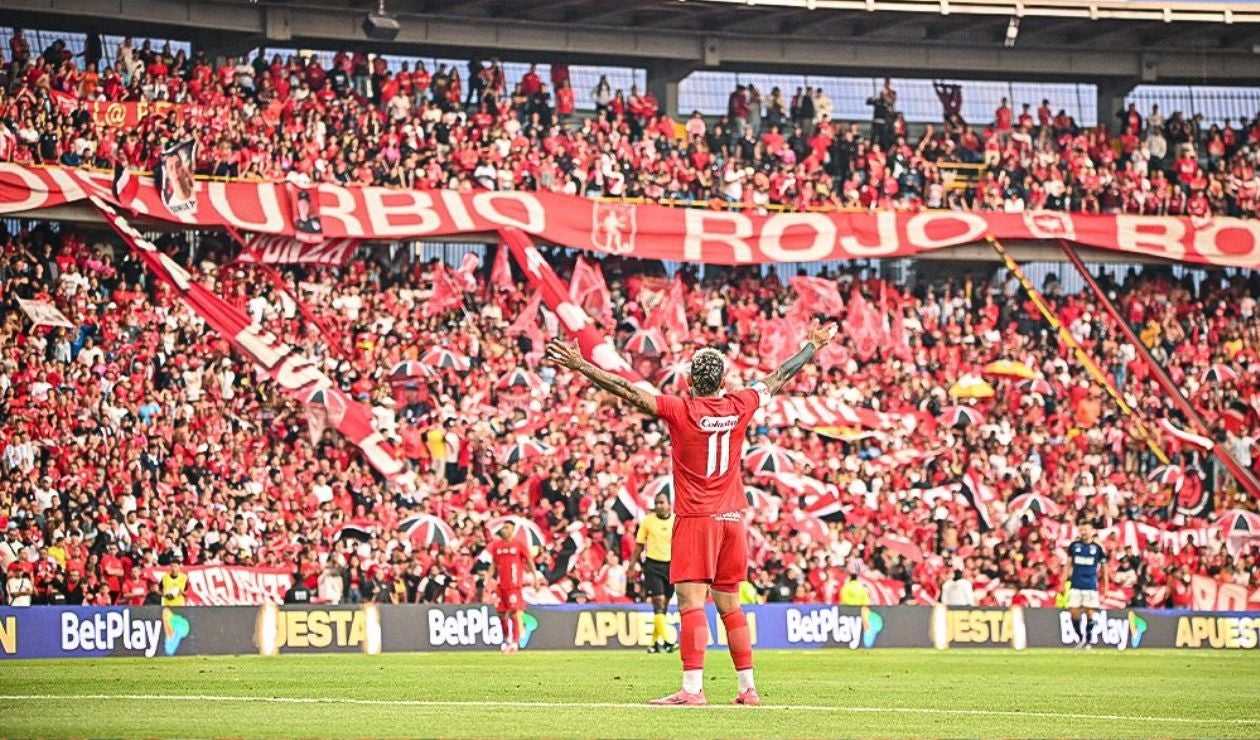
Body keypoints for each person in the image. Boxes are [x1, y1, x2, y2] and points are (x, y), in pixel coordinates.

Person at [545, 318, 837, 707]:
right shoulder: (741, 403)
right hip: (734, 519)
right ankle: (747, 688)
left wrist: (582, 366)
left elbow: (627, 389)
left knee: (691, 603)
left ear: (689, 382)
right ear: (723, 382)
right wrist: (812, 346)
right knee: (731, 605)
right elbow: (780, 375)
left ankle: (693, 689)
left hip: (697, 518)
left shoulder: (680, 409)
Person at [631, 491, 676, 654]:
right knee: (658, 601)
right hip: (653, 565)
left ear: (669, 504)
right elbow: (639, 545)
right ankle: (670, 640)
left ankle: (654, 643)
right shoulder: (648, 521)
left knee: (664, 606)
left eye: (661, 503)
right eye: (656, 503)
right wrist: (631, 566)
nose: (658, 506)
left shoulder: (676, 521)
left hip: (671, 566)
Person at [485, 520, 537, 654]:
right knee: (501, 614)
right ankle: (506, 640)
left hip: (514, 586)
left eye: (507, 527)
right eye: (503, 527)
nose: (504, 530)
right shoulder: (497, 546)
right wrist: (487, 579)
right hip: (501, 585)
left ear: (512, 530)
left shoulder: (519, 545)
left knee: (514, 612)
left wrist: (535, 578)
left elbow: (529, 561)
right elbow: (493, 565)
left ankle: (515, 642)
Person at [1064, 523, 1107, 649]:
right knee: (1073, 612)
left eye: (1086, 529)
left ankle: (1087, 640)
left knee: (1089, 613)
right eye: (1081, 529)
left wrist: (1106, 587)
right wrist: (1062, 582)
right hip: (1076, 584)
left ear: (1092, 531)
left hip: (1090, 585)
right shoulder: (1074, 546)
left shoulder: (1097, 548)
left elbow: (1105, 569)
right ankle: (1080, 638)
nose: (1083, 532)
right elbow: (1067, 565)